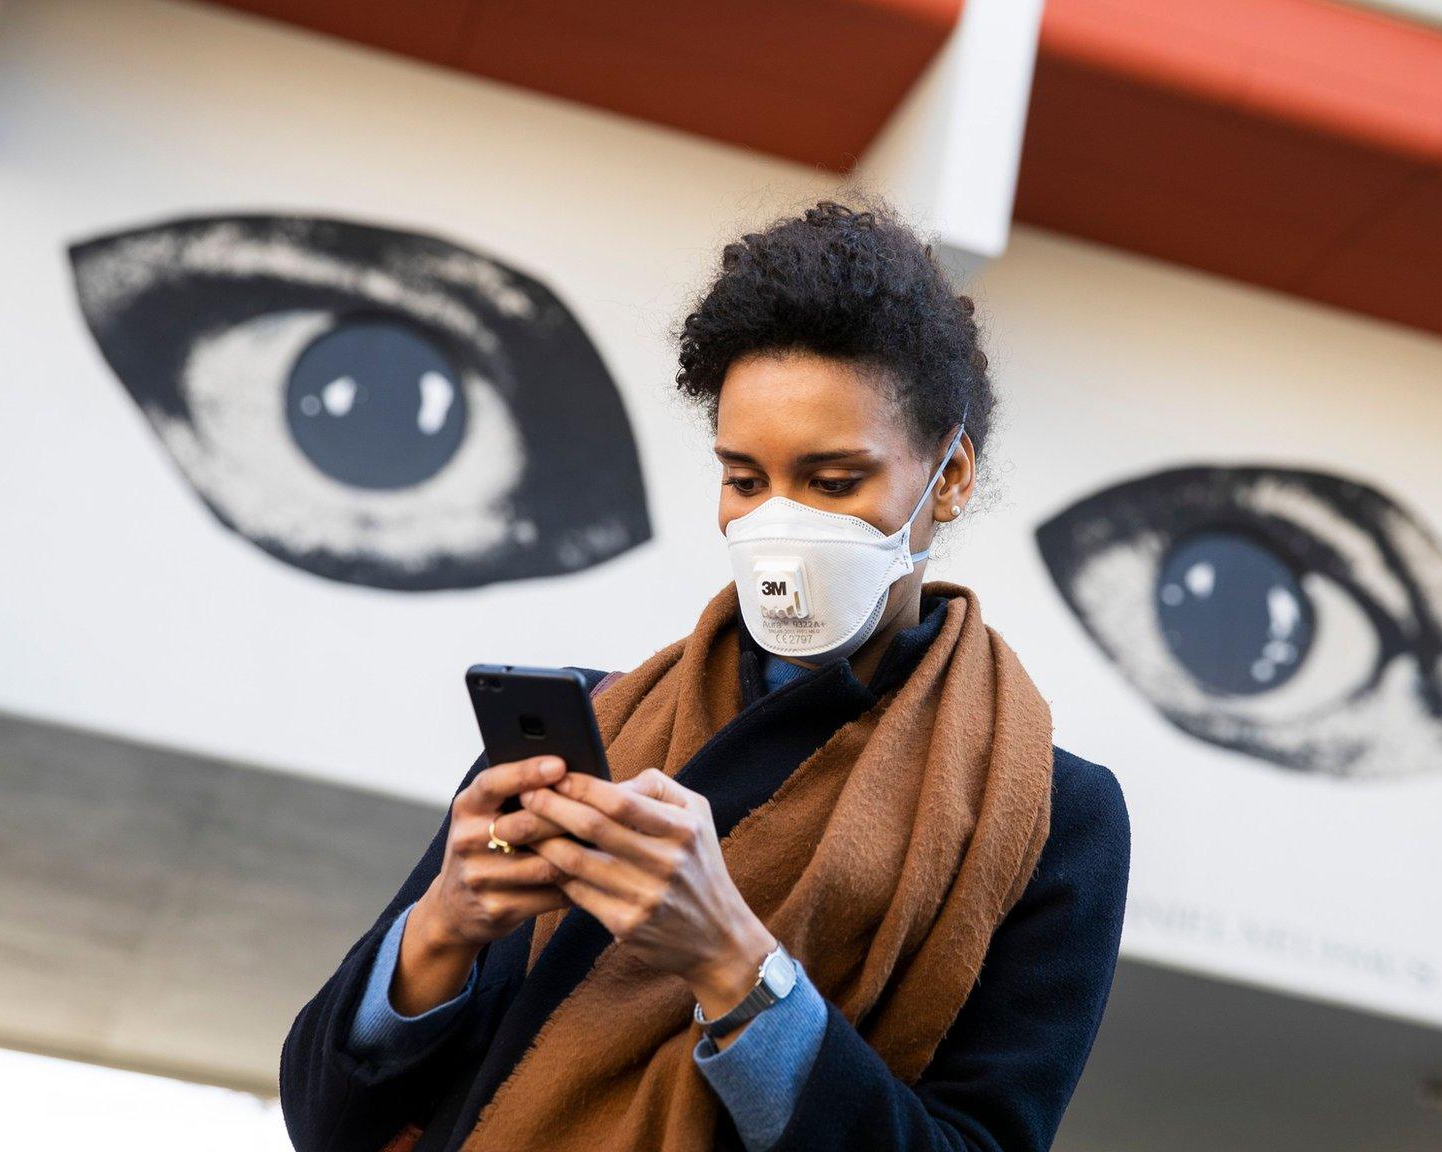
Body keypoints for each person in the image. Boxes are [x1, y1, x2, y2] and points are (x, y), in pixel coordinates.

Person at [279, 197, 1131, 1152]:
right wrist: (442, 929)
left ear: (953, 478)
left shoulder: (1048, 816)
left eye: (833, 481)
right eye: (745, 478)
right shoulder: (596, 723)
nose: (778, 521)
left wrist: (732, 962)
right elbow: (327, 1121)